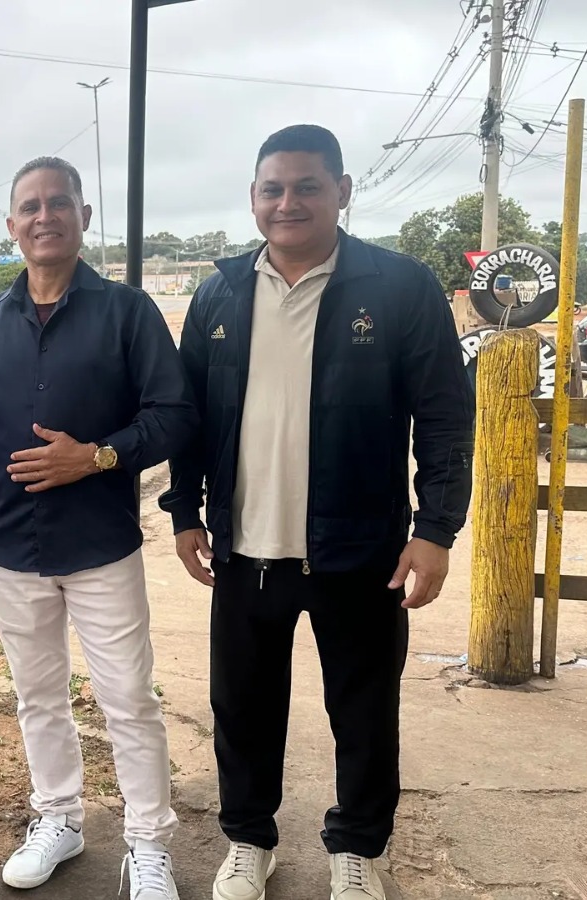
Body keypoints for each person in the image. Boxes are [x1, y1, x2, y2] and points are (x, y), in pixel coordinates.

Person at [159, 124, 474, 900]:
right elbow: (190, 415)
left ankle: (359, 849)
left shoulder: (399, 287)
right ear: (254, 197)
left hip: (360, 550)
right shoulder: (220, 291)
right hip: (245, 549)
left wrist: (435, 529)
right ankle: (249, 841)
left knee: (363, 709)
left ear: (342, 191)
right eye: (273, 188)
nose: (288, 202)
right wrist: (184, 512)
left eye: (306, 186)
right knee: (242, 708)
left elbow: (443, 417)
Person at [0, 156, 195, 899]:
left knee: (128, 700)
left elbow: (174, 417)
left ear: (84, 217)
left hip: (101, 548)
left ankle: (149, 844)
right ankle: (60, 818)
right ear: (11, 225)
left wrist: (97, 457)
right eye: (30, 205)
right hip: (12, 549)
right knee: (38, 697)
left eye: (60, 203)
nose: (45, 215)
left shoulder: (128, 313)